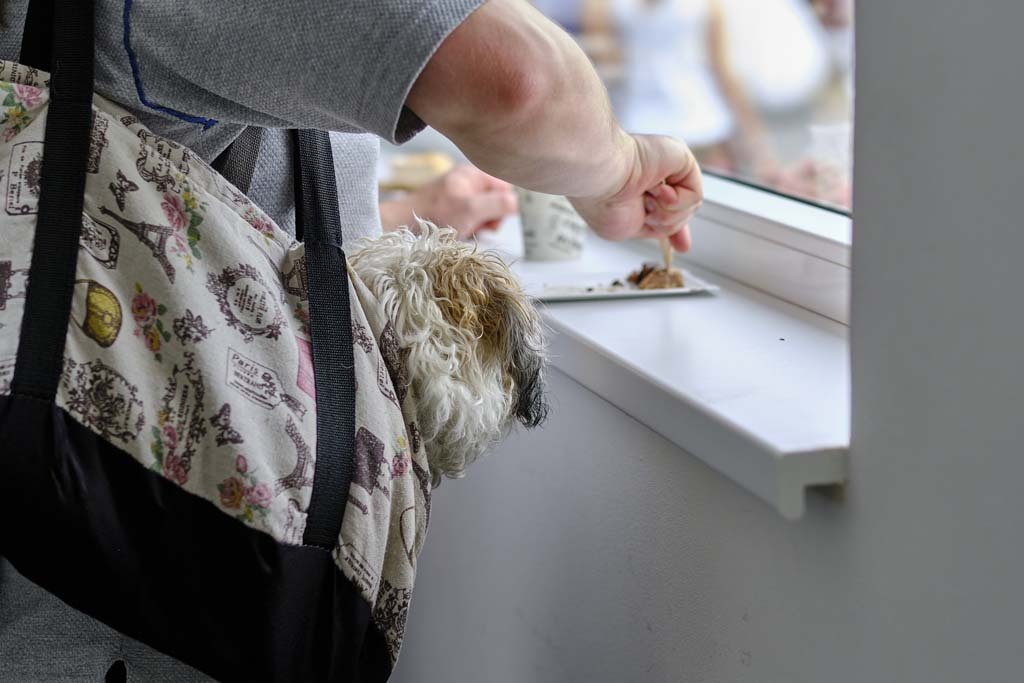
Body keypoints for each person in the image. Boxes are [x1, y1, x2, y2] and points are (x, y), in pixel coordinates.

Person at [0, 0, 702, 680]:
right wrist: (624, 165)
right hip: (124, 624)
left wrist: (408, 215)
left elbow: (193, 201)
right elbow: (518, 81)